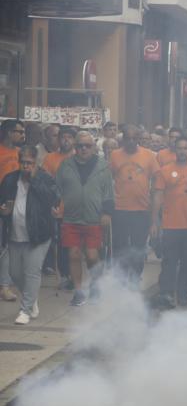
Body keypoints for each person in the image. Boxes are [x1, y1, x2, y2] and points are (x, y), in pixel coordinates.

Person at [0, 147, 59, 324]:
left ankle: (25, 310)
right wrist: (2, 210)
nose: (26, 166)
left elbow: (53, 198)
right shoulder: (10, 179)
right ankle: (31, 299)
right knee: (14, 272)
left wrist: (33, 180)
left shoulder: (44, 178)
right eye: (23, 162)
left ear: (36, 163)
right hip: (14, 234)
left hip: (38, 234)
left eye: (30, 163)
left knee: (32, 272)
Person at [55, 131, 114, 306]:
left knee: (92, 255)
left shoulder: (103, 167)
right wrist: (56, 207)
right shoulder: (66, 165)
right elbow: (57, 189)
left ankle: (96, 284)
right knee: (73, 254)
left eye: (87, 146)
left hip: (94, 218)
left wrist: (107, 213)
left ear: (94, 147)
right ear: (75, 147)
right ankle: (79, 291)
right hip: (71, 218)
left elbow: (108, 193)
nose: (83, 149)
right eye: (80, 146)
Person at [151, 136, 187, 308]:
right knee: (169, 262)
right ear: (175, 150)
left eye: (185, 148)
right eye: (179, 148)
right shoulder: (164, 171)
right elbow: (157, 196)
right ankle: (166, 293)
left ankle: (183, 295)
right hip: (171, 225)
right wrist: (154, 222)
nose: (182, 151)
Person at [109, 124, 160, 285]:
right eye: (127, 138)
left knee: (138, 248)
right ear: (122, 139)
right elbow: (107, 180)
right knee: (120, 247)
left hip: (141, 210)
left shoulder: (149, 156)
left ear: (138, 139)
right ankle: (121, 278)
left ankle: (135, 276)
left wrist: (154, 219)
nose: (131, 141)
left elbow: (157, 183)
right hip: (120, 210)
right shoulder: (114, 155)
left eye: (134, 138)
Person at [41, 126, 76, 290]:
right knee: (62, 244)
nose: (66, 140)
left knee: (75, 245)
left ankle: (75, 275)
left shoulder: (80, 157)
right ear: (58, 139)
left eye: (69, 137)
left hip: (78, 209)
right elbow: (45, 183)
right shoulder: (50, 158)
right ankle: (65, 275)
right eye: (63, 137)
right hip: (58, 209)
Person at [0, 119, 26, 302]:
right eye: (19, 131)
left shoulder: (20, 153)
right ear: (9, 133)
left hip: (17, 205)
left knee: (9, 247)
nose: (22, 134)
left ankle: (5, 285)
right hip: (2, 204)